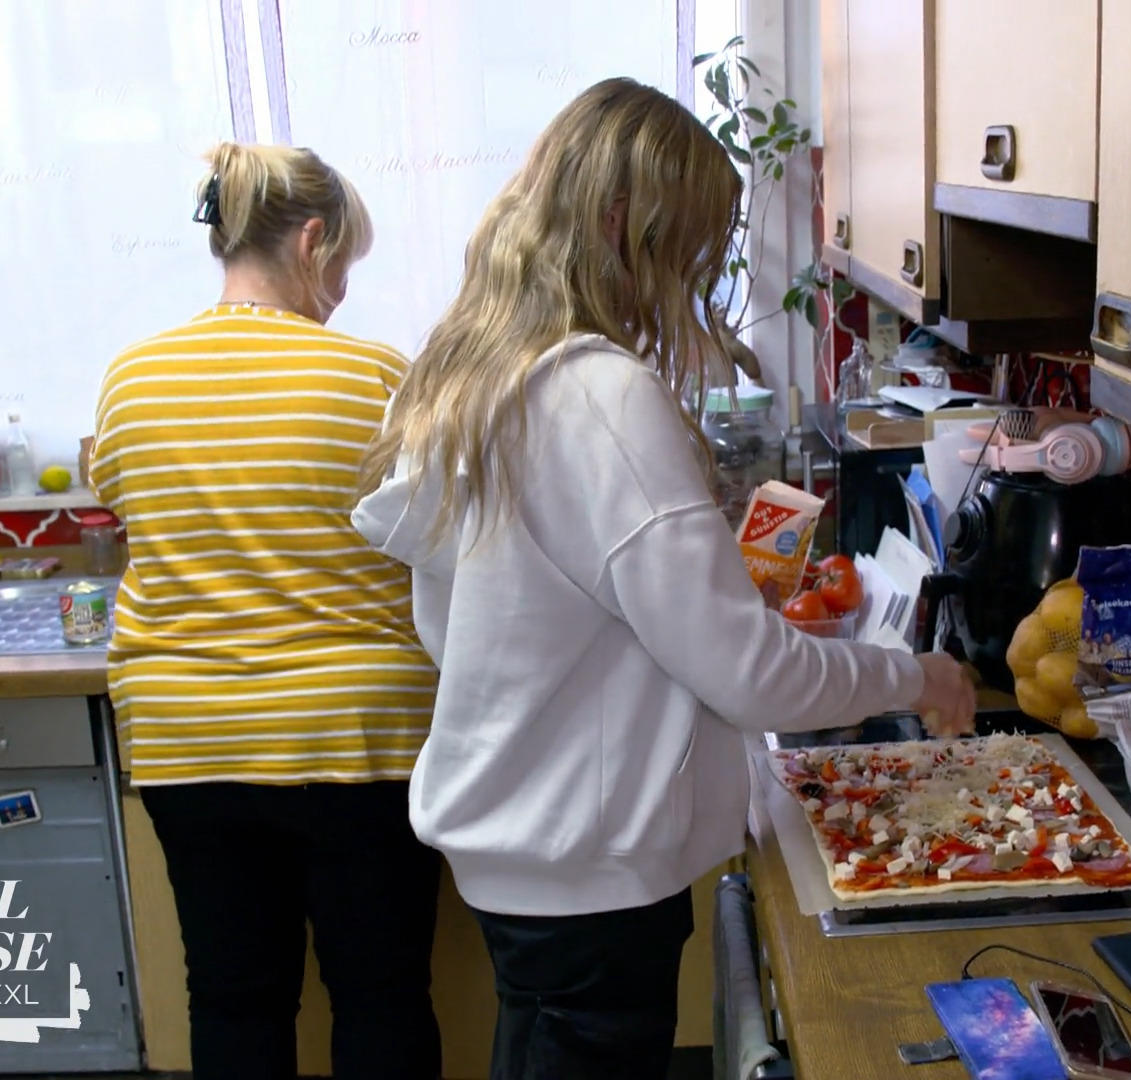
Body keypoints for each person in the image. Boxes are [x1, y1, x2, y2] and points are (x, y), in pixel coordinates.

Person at [352, 78, 977, 1080]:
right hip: (590, 874)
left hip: (532, 857)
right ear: (619, 223)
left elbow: (489, 625)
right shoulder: (598, 393)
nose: (693, 282)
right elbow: (753, 678)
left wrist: (687, 606)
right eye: (688, 249)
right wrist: (918, 677)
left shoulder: (487, 373)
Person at [91, 142, 441, 1080]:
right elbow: (431, 538)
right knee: (381, 992)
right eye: (344, 266)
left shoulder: (130, 381)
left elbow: (128, 510)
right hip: (357, 735)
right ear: (312, 241)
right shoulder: (375, 376)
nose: (341, 294)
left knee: (234, 997)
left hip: (189, 739)